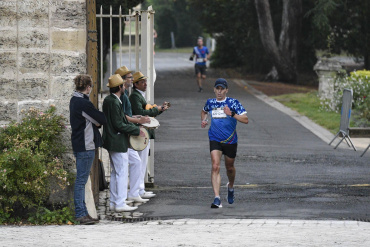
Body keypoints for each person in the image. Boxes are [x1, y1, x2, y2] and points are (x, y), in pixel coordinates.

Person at [201, 78, 249, 208]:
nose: (219, 91)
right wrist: (204, 120)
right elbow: (204, 111)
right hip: (214, 138)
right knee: (215, 166)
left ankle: (231, 186)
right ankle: (217, 198)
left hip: (230, 140)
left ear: (226, 90)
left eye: (222, 89)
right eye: (217, 89)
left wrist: (232, 114)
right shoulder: (210, 103)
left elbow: (245, 119)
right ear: (214, 89)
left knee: (230, 168)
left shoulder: (233, 103)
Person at [102, 74, 146, 212]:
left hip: (112, 139)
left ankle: (114, 202)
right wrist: (136, 130)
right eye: (122, 85)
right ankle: (120, 203)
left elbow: (120, 121)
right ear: (120, 87)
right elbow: (119, 124)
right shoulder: (114, 101)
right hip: (117, 140)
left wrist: (135, 122)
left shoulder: (110, 100)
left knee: (116, 172)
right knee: (121, 172)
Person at [69, 74, 107, 224]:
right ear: (88, 87)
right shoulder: (83, 103)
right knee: (81, 181)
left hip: (80, 144)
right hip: (85, 145)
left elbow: (93, 120)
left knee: (82, 180)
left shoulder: (75, 100)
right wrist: (96, 122)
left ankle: (84, 212)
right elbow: (101, 119)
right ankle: (80, 213)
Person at [129, 71, 169, 199]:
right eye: (142, 82)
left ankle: (140, 188)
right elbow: (140, 112)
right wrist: (155, 109)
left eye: (145, 81)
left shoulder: (138, 95)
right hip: (141, 131)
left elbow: (146, 112)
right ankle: (138, 189)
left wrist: (159, 110)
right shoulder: (135, 96)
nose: (145, 84)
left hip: (144, 131)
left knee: (142, 162)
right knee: (140, 162)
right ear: (135, 84)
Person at [114, 66, 151, 203]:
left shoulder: (123, 95)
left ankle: (130, 194)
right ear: (123, 80)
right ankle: (127, 196)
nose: (131, 79)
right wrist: (137, 120)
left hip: (127, 130)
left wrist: (136, 117)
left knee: (130, 164)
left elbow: (126, 115)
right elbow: (123, 117)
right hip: (124, 133)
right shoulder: (121, 96)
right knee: (131, 164)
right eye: (129, 77)